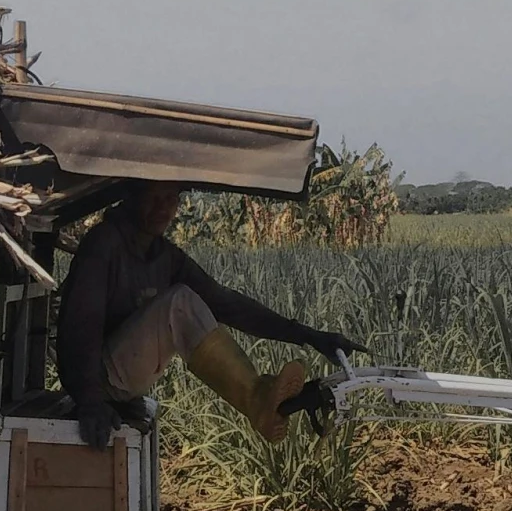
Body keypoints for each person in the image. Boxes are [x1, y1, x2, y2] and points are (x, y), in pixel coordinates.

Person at [55, 180, 365, 447]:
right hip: (95, 380)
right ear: (132, 197)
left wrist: (308, 335)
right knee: (180, 302)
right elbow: (81, 323)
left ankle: (258, 394)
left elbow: (226, 304)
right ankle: (256, 397)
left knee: (186, 299)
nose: (163, 209)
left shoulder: (165, 256)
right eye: (154, 198)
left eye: (171, 199)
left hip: (120, 381)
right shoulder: (105, 244)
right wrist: (90, 400)